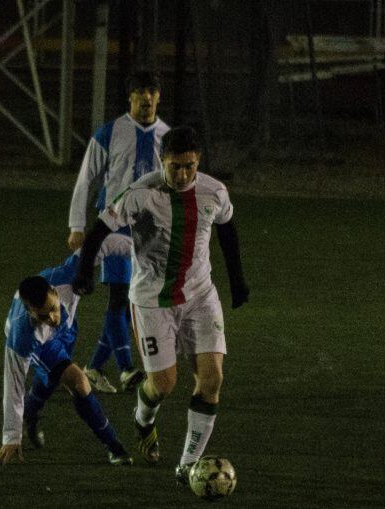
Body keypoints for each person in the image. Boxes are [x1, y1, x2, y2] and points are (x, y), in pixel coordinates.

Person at [71, 126, 249, 485]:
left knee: (212, 380)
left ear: (198, 162)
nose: (183, 175)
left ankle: (188, 466)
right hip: (153, 301)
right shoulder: (140, 193)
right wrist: (84, 274)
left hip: (200, 296)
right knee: (163, 385)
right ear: (161, 161)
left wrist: (237, 279)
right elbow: (100, 230)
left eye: (190, 166)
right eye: (175, 167)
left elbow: (228, 229)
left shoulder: (214, 191)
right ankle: (143, 417)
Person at [68, 71, 171, 393]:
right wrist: (77, 225)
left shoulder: (166, 137)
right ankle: (126, 369)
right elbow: (87, 179)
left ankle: (94, 367)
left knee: (129, 303)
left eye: (151, 91)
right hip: (112, 226)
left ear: (158, 96)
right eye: (140, 91)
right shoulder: (110, 132)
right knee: (118, 295)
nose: (146, 97)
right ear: (131, 97)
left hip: (147, 232)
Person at [0, 253, 132, 466]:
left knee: (54, 376)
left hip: (66, 331)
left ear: (55, 291)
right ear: (30, 311)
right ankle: (114, 447)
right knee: (78, 381)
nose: (51, 319)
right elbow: (13, 384)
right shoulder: (23, 337)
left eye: (52, 309)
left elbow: (98, 244)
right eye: (42, 316)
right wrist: (11, 436)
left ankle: (32, 410)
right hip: (42, 345)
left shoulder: (67, 275)